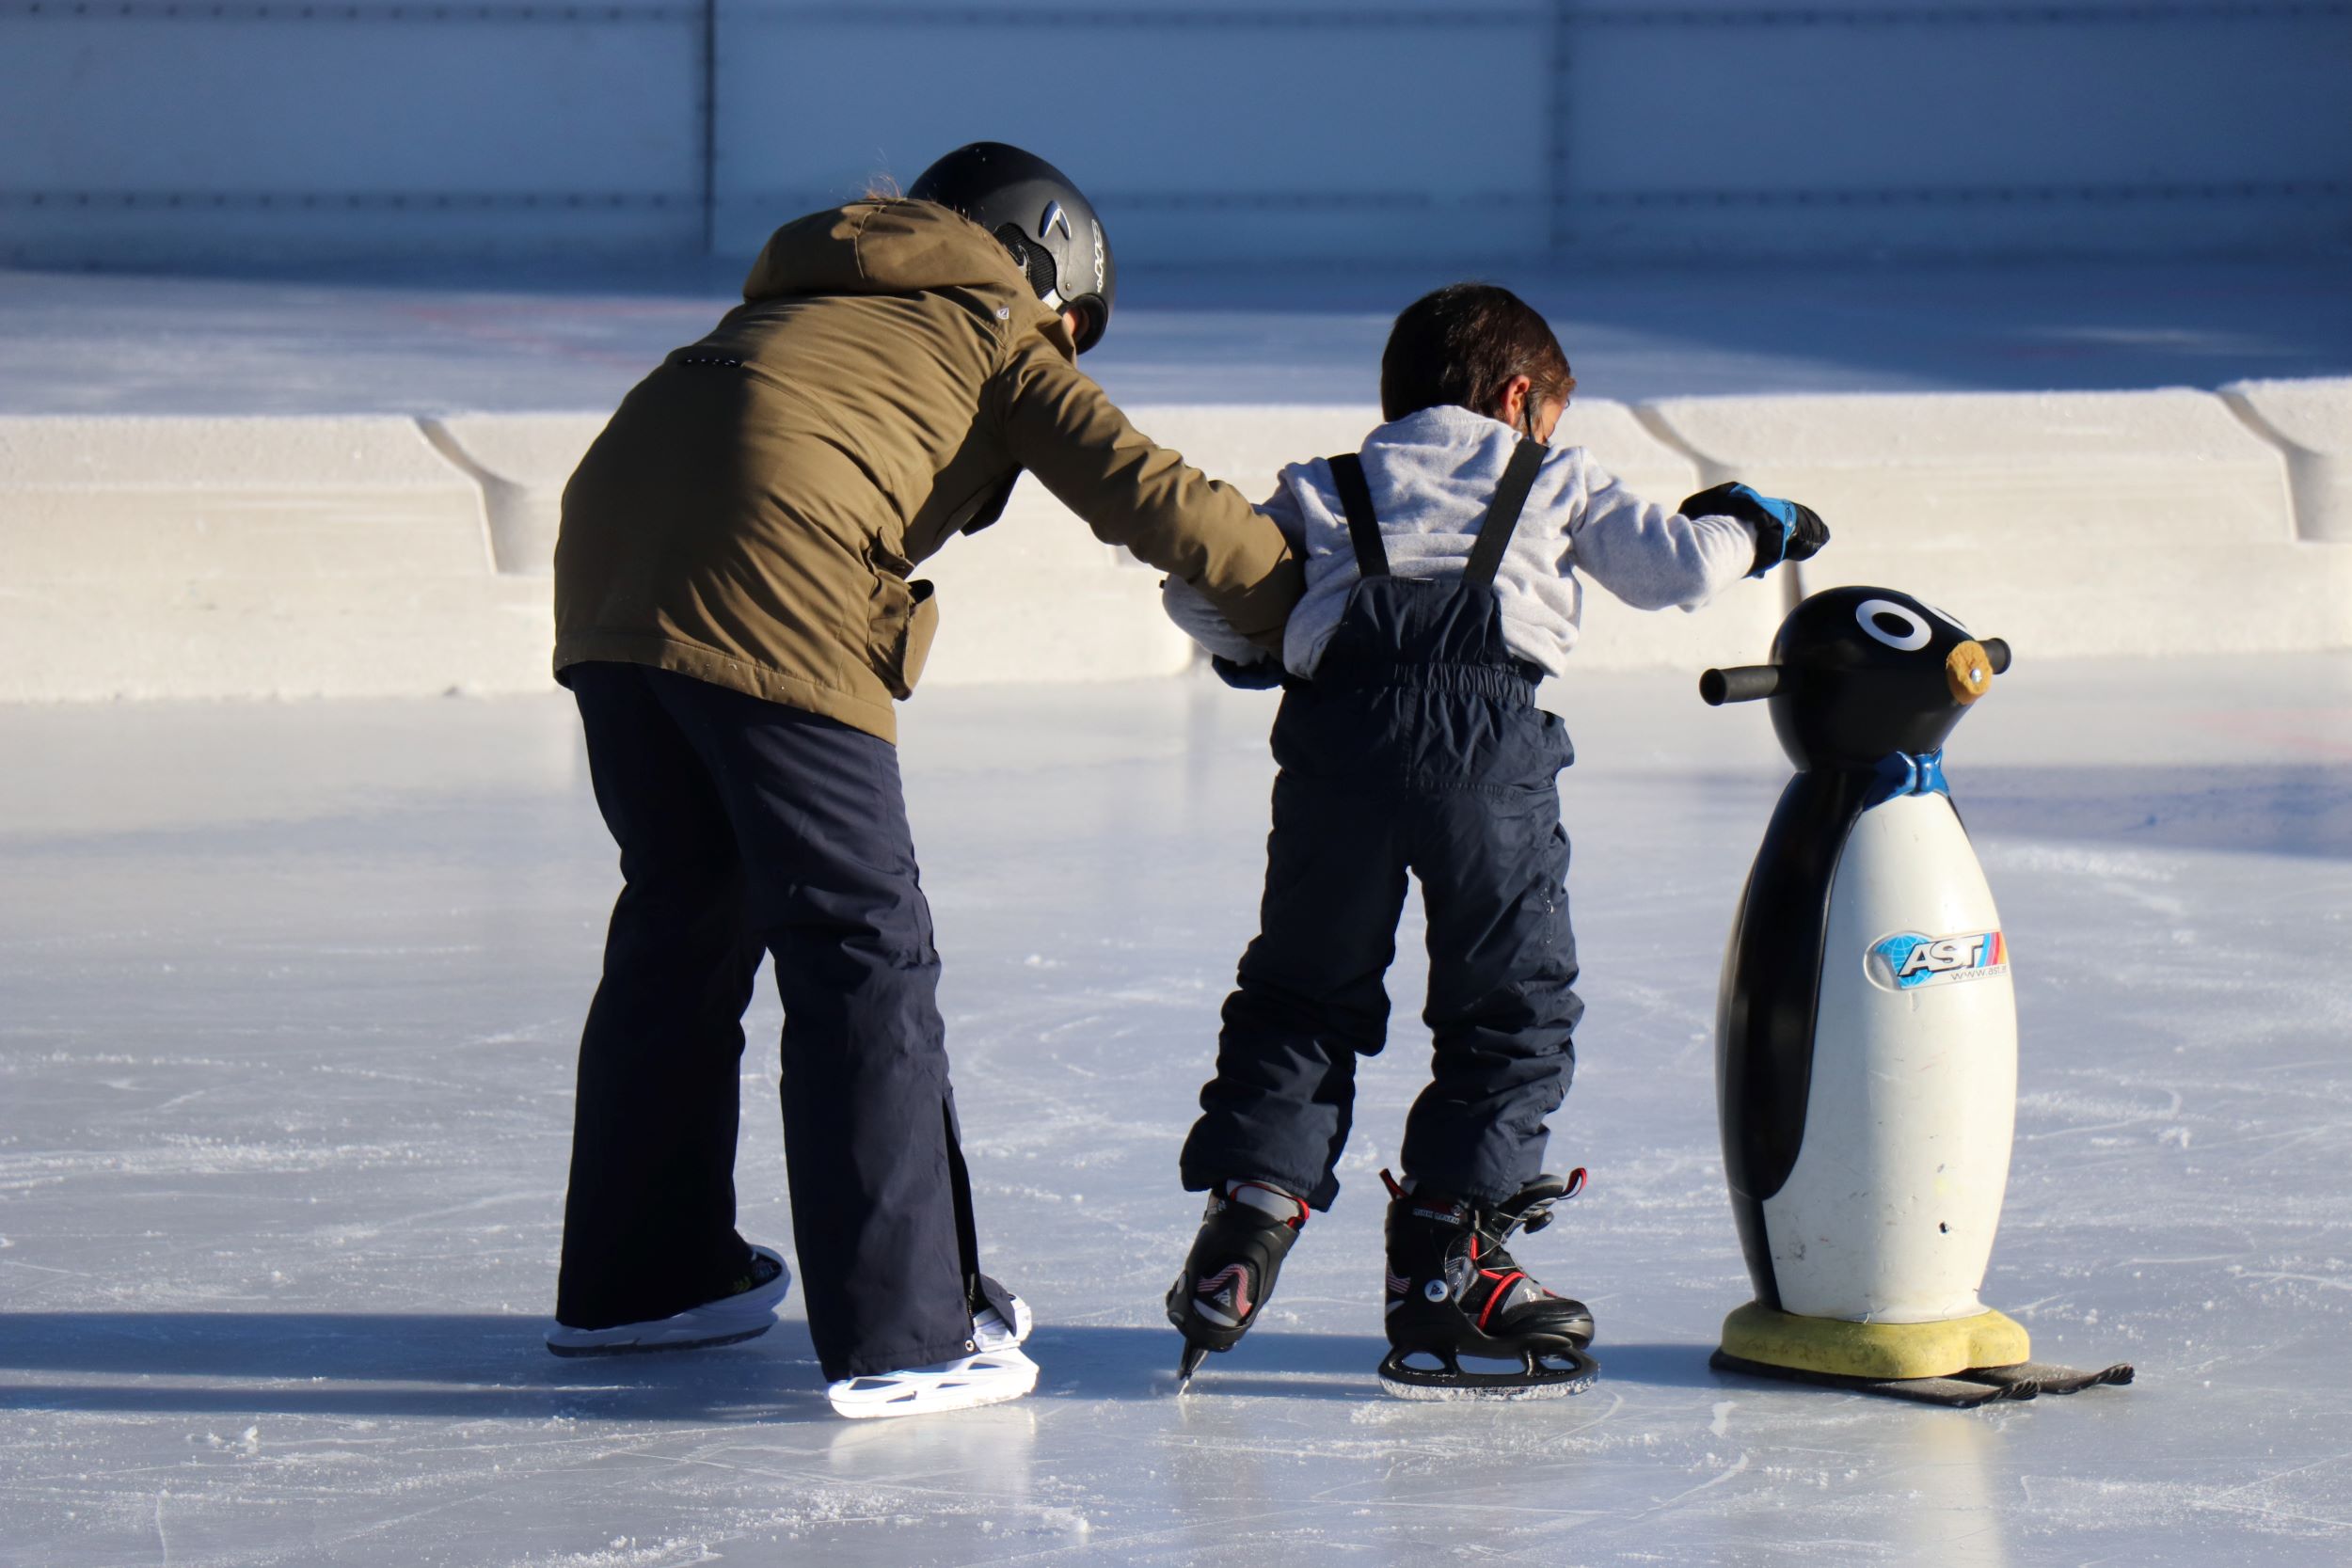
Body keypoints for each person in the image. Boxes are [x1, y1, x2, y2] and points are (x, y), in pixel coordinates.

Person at [544, 142, 1302, 1419]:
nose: (1068, 349)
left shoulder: (806, 295)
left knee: (684, 915)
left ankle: (644, 1278)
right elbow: (1146, 491)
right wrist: (1302, 601)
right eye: (1074, 326)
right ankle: (906, 1328)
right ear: (1042, 263)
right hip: (776, 561)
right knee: (860, 943)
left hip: (610, 564)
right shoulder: (993, 321)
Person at [1158, 283, 1827, 1398]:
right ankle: (1446, 1256)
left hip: (1337, 746)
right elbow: (1676, 567)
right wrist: (1757, 522)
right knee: (1509, 1006)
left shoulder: (1321, 485)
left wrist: (1257, 644)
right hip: (1486, 748)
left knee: (1302, 992)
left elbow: (1199, 596)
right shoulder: (1553, 476)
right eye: (1551, 414)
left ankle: (1248, 1219)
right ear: (1519, 398)